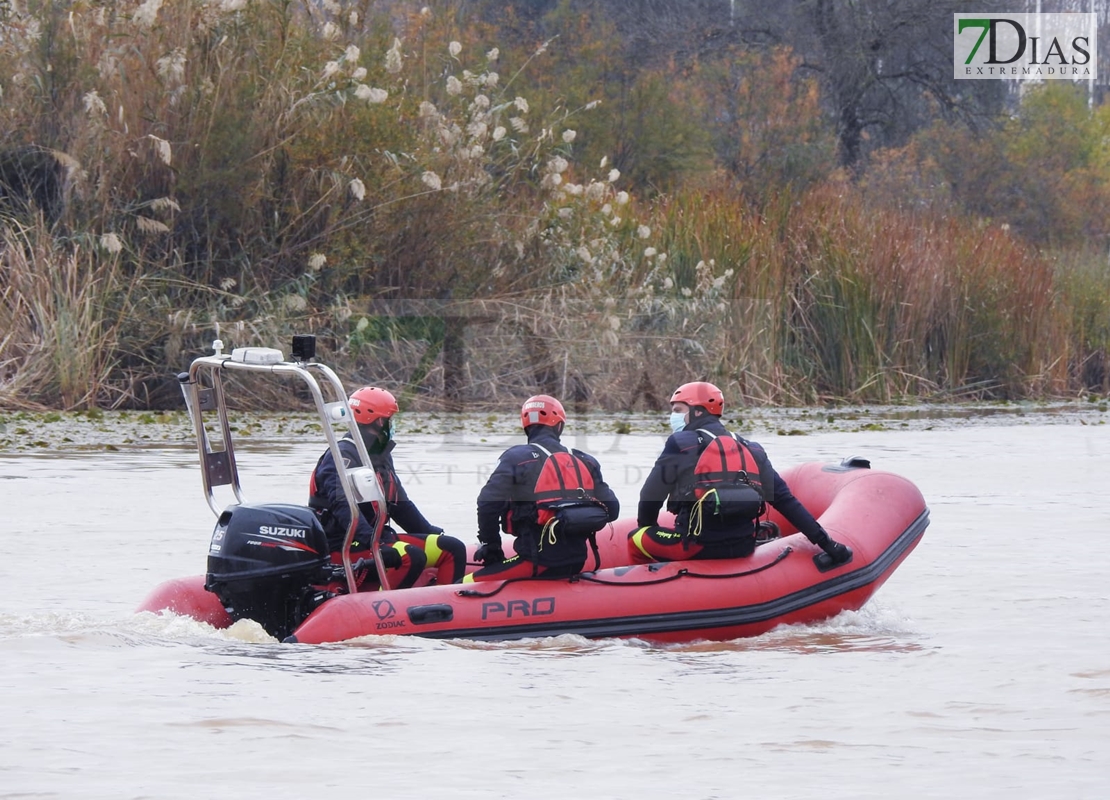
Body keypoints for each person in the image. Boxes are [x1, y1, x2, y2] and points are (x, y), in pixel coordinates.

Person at [631, 381, 853, 566]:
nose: (673, 417)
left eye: (678, 410)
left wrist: (648, 526)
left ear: (697, 412)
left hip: (696, 547)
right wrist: (828, 544)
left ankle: (651, 590)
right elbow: (785, 501)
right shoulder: (751, 448)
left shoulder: (682, 443)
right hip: (743, 545)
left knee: (635, 538)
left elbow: (650, 496)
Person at [309, 386, 467, 589]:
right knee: (410, 556)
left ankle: (447, 610)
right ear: (379, 421)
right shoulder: (341, 456)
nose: (392, 425)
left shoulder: (379, 455)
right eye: (390, 419)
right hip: (344, 544)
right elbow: (344, 510)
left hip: (377, 538)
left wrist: (432, 533)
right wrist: (375, 544)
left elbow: (400, 505)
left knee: (452, 548)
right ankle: (386, 612)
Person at [464, 394, 621, 583]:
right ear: (559, 425)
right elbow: (612, 511)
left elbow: (487, 503)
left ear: (526, 426)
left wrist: (491, 545)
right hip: (577, 561)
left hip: (535, 563)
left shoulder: (516, 457)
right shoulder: (586, 460)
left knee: (463, 585)